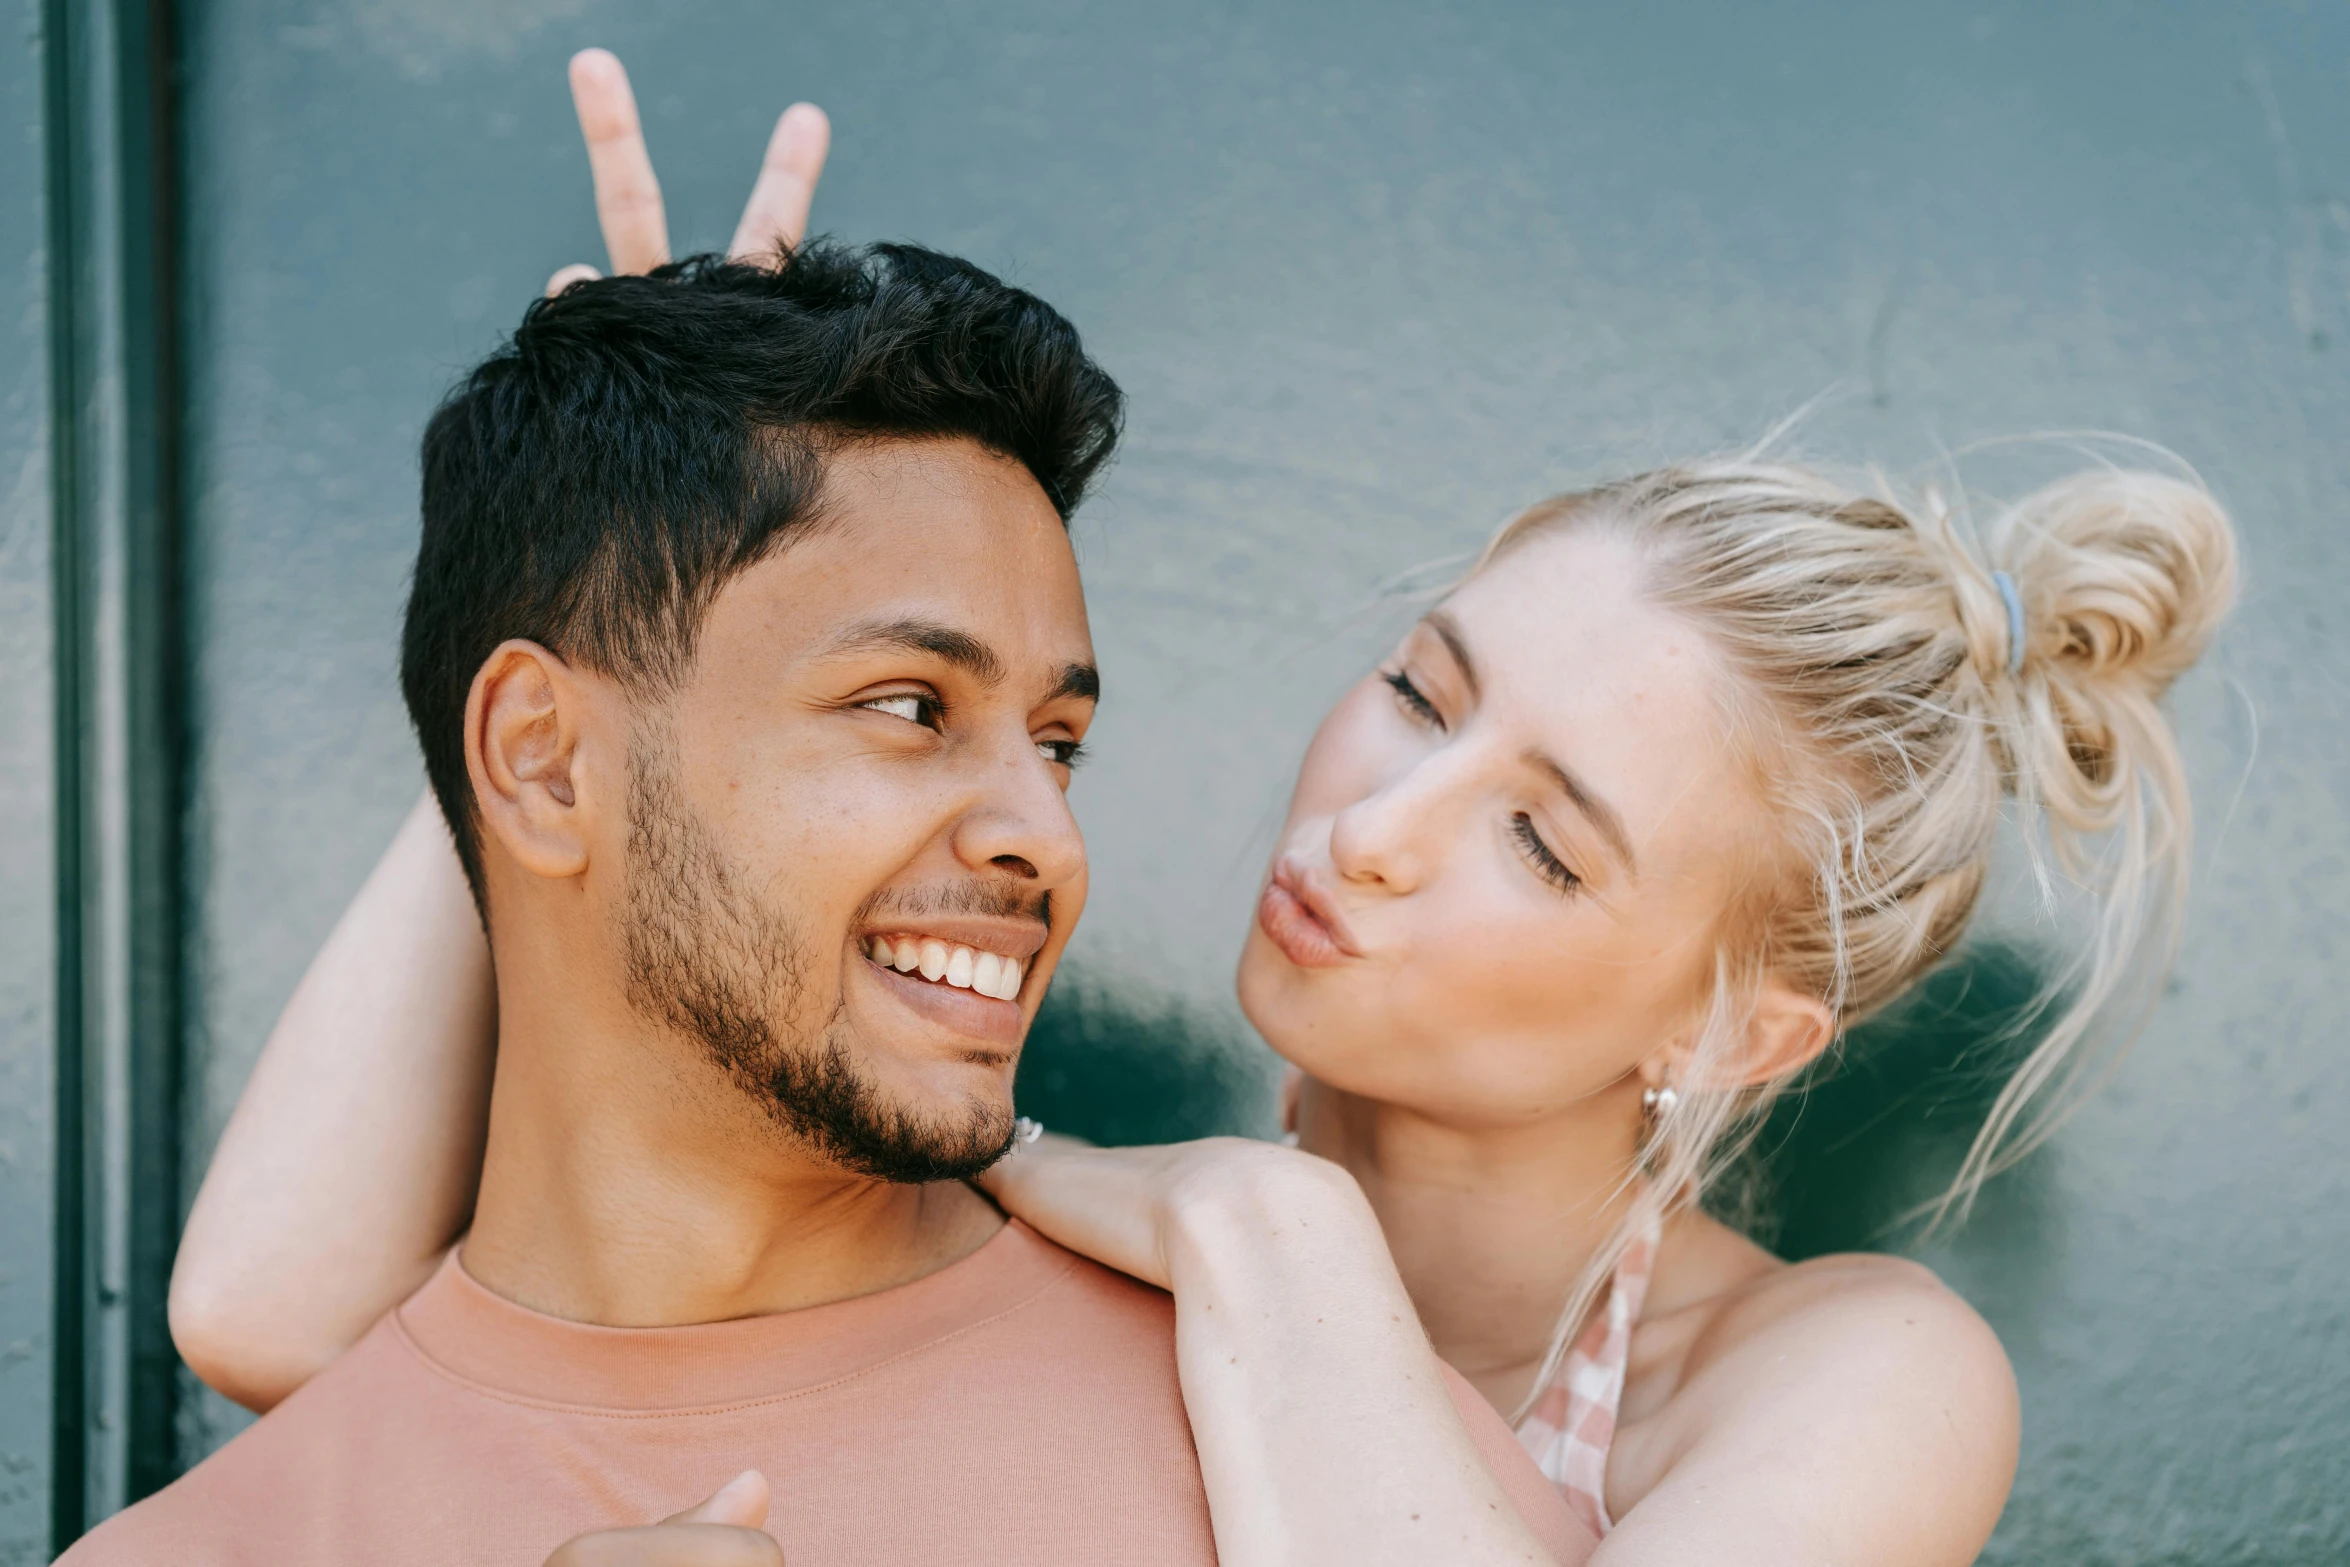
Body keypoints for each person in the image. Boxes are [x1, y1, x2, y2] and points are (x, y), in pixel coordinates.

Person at [166, 51, 2241, 1567]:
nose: (1376, 827)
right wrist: (615, 587)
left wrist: (1271, 1227)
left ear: (1722, 1034)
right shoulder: (1062, 1227)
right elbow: (271, 1313)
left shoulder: (1847, 1377)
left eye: (1539, 835)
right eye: (1417, 693)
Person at [67, 96, 1587, 1567]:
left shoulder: (1336, 1441)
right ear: (536, 762)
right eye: (911, 706)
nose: (1044, 838)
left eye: (1057, 743)